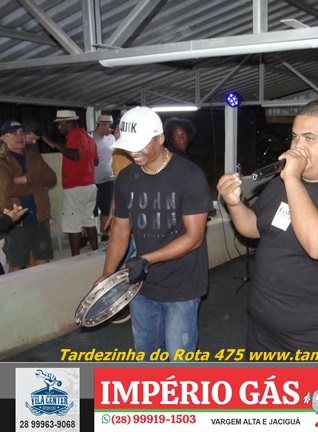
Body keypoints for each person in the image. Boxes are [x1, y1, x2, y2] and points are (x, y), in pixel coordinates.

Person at [217, 99, 318, 353]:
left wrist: (292, 178)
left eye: (309, 138)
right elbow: (254, 228)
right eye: (294, 137)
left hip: (316, 339)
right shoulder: (279, 184)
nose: (297, 147)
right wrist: (234, 204)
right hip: (261, 329)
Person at [93, 106, 212, 361]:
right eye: (128, 145)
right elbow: (121, 228)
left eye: (140, 144)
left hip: (181, 285)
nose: (133, 151)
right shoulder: (126, 178)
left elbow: (194, 238)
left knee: (179, 360)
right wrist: (108, 274)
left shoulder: (189, 176)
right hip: (140, 285)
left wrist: (146, 259)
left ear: (160, 138)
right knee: (146, 357)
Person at [0, 120, 57, 272]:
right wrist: (39, 187)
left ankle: (42, 286)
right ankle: (14, 289)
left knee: (42, 258)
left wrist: (26, 179)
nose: (19, 136)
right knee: (17, 263)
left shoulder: (34, 156)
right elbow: (9, 189)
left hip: (39, 216)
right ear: (3, 138)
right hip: (16, 219)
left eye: (21, 133)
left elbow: (52, 178)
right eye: (14, 134)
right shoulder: (2, 159)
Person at [42, 110, 99, 256]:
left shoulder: (74, 136)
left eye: (61, 125)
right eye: (58, 125)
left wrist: (54, 144)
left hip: (75, 187)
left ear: (71, 123)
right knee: (88, 220)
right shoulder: (89, 138)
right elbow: (96, 161)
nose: (59, 128)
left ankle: (75, 258)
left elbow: (75, 155)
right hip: (90, 186)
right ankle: (96, 252)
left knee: (73, 225)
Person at [91, 114, 116, 242]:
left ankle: (105, 234)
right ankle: (87, 236)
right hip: (92, 181)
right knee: (91, 211)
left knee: (106, 210)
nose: (110, 128)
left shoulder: (111, 138)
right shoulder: (90, 138)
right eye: (108, 126)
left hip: (108, 180)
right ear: (101, 125)